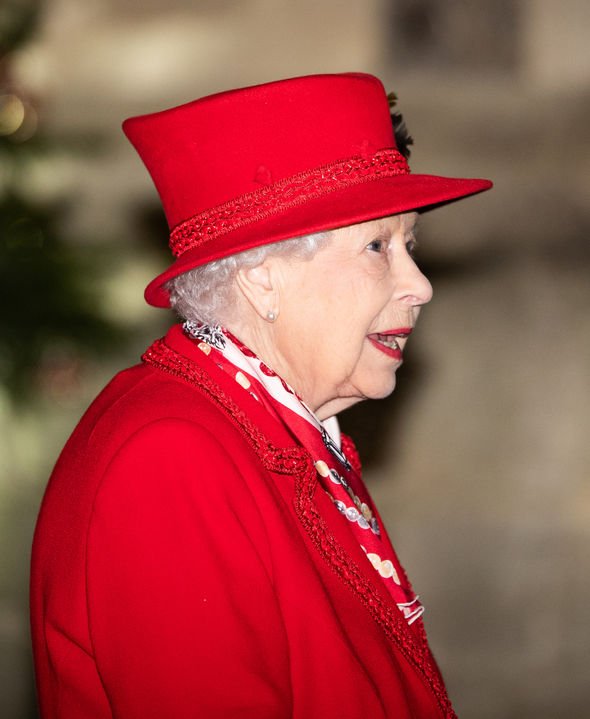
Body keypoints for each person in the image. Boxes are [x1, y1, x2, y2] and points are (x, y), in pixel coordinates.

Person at [30, 72, 491, 718]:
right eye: (377, 246)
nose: (420, 284)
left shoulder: (271, 429)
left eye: (408, 244)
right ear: (261, 278)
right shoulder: (167, 461)